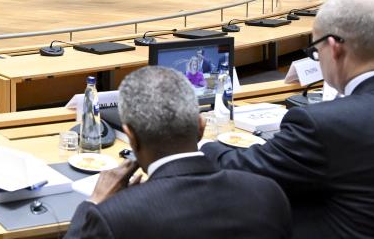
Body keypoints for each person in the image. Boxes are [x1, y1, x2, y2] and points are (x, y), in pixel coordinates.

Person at [202, 0, 374, 238]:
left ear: (334, 48)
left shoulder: (324, 124)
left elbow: (238, 172)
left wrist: (203, 143)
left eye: (316, 51)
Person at [65, 67, 291, 239]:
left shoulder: (112, 218)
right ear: (201, 127)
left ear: (131, 137)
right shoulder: (268, 193)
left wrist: (94, 202)